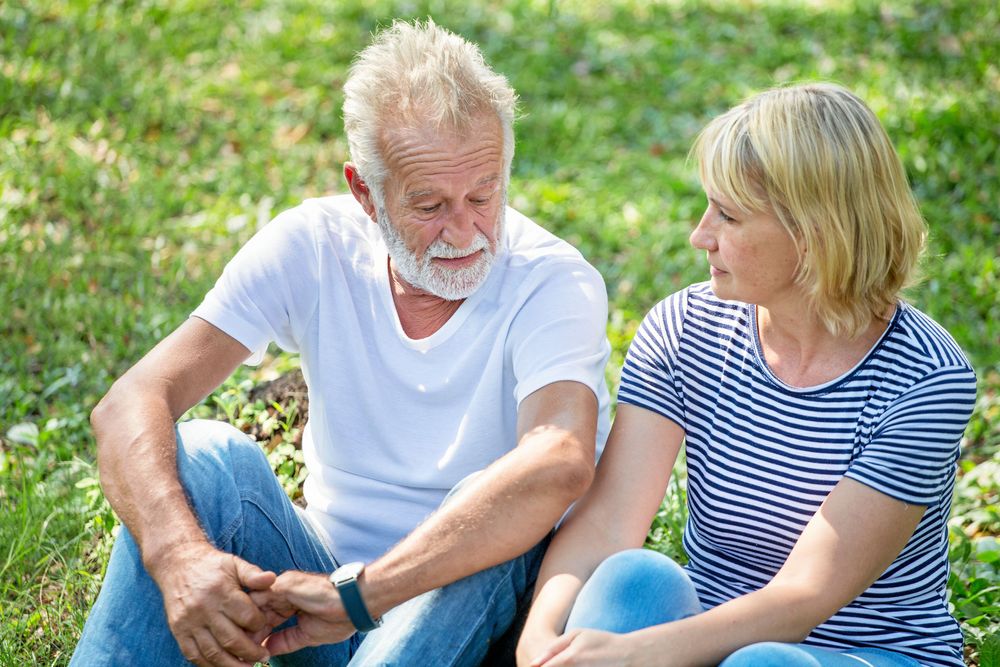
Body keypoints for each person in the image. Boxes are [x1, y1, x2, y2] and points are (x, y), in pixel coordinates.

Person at [74, 19, 612, 667]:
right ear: (365, 192)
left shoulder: (552, 279)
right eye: (429, 205)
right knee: (211, 453)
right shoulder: (312, 244)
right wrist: (178, 555)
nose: (465, 229)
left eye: (484, 192)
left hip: (462, 601)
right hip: (317, 591)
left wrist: (364, 594)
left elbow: (559, 459)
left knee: (494, 513)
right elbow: (132, 399)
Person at [517, 83, 977, 667]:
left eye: (728, 216)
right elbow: (608, 523)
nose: (699, 235)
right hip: (703, 638)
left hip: (866, 653)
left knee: (763, 664)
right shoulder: (684, 326)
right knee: (631, 578)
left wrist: (635, 655)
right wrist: (540, 638)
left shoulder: (927, 379)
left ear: (814, 234)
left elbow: (805, 597)